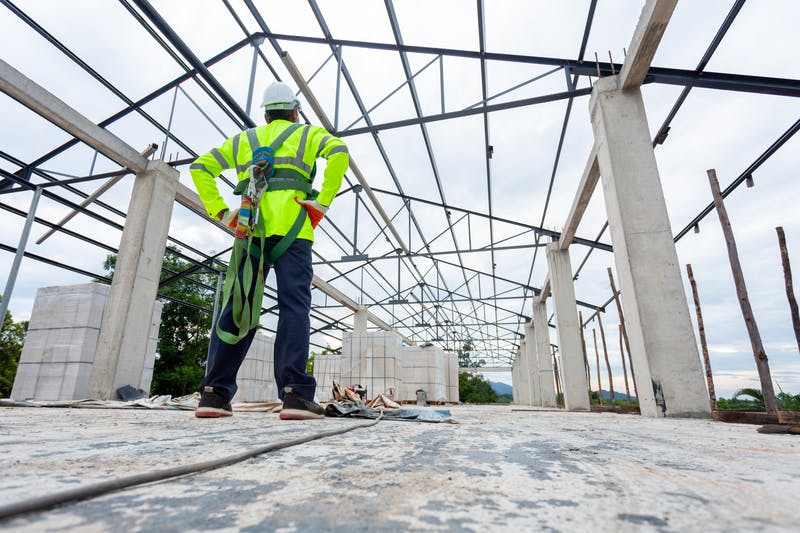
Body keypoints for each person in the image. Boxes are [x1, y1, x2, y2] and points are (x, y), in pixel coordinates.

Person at [189, 81, 348, 420]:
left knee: (238, 304)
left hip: (250, 231)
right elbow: (340, 152)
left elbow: (200, 167)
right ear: (295, 111)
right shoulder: (308, 135)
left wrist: (221, 211)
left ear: (265, 114)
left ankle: (214, 394)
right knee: (294, 307)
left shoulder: (245, 140)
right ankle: (295, 395)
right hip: (294, 232)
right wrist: (322, 201)